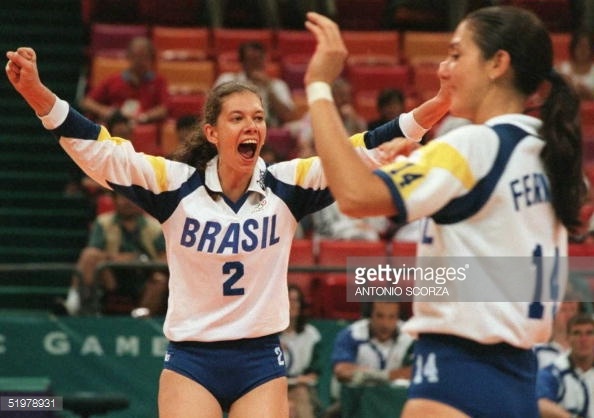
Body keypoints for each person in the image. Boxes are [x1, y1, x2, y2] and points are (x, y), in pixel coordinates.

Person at [6, 43, 450, 417]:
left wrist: (438, 106)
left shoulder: (288, 185)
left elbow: (365, 149)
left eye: (257, 117)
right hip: (192, 358)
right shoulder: (174, 185)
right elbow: (102, 152)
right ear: (212, 132)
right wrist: (38, 94)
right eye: (237, 118)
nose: (252, 125)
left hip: (259, 359)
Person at [304, 6, 586, 418]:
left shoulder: (473, 146)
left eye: (456, 54)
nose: (444, 67)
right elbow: (491, 256)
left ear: (497, 63)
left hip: (458, 372)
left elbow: (354, 196)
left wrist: (318, 88)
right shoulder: (545, 151)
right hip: (519, 373)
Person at [61, 192, 168, 317]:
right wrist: (119, 259)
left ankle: (141, 319)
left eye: (133, 198)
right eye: (123, 197)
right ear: (114, 199)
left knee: (160, 279)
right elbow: (94, 252)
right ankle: (74, 304)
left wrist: (141, 261)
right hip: (111, 276)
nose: (128, 202)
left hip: (144, 276)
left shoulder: (155, 226)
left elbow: (165, 259)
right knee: (89, 256)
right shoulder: (103, 222)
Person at [325, 302, 413, 418]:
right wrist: (391, 375)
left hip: (396, 403)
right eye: (380, 316)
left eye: (392, 317)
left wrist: (377, 376)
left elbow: (416, 371)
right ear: (369, 315)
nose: (385, 324)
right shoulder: (352, 334)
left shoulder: (410, 336)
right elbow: (342, 370)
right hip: (354, 402)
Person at [81, 36, 169, 125]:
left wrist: (144, 117)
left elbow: (164, 109)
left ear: (151, 58)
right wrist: (106, 111)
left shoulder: (159, 81)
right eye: (136, 56)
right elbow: (87, 102)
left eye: (144, 56)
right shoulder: (113, 80)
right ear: (128, 56)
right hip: (117, 127)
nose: (139, 61)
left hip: (144, 127)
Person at [213, 41, 295, 128]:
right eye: (251, 60)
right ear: (242, 62)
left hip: (268, 130)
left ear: (265, 61)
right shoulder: (227, 79)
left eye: (259, 59)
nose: (255, 64)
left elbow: (288, 117)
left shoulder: (277, 85)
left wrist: (269, 89)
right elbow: (213, 109)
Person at [536, 313, 594, 418]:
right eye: (577, 333)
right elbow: (540, 404)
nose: (583, 339)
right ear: (567, 338)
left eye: (589, 333)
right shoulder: (554, 372)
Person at [280, 284, 323, 418]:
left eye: (296, 300)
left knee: (300, 393)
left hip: (302, 388)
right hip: (274, 387)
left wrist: (298, 380)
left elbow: (315, 374)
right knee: (288, 407)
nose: (293, 305)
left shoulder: (311, 335)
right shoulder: (268, 334)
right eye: (289, 300)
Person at [534, 293, 582, 369]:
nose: (569, 315)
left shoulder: (587, 350)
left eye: (573, 309)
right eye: (563, 310)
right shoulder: (537, 350)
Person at [556, 30, 594, 101]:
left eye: (586, 47)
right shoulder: (561, 69)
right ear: (573, 48)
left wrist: (589, 94)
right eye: (580, 46)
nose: (583, 50)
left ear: (591, 50)